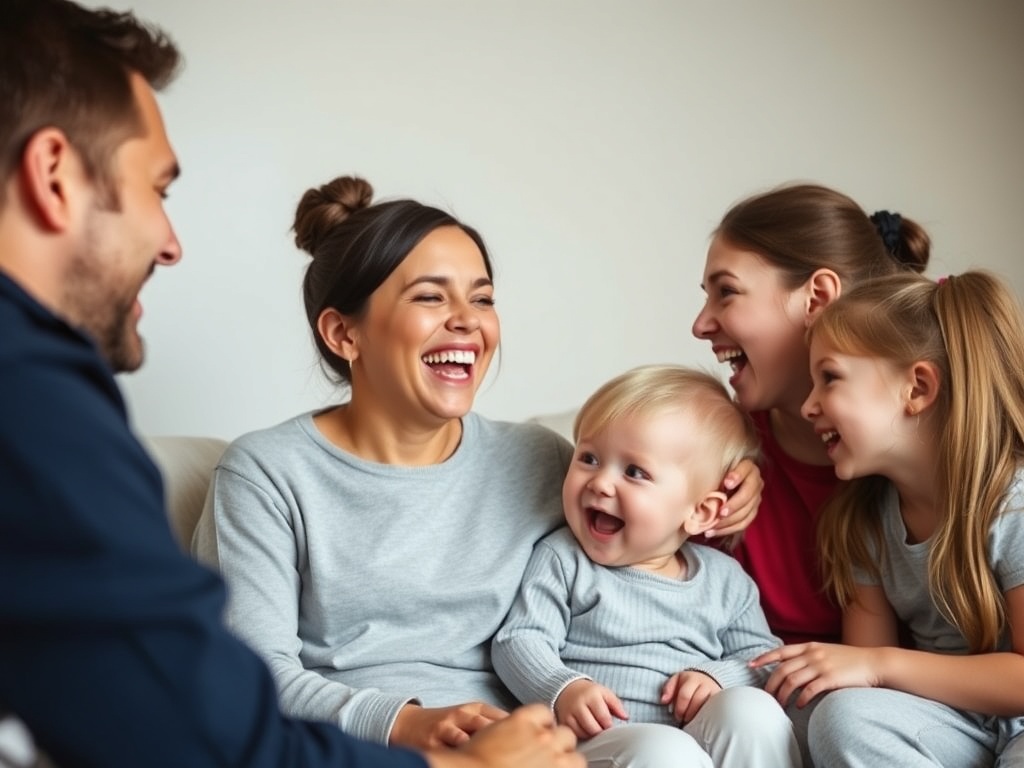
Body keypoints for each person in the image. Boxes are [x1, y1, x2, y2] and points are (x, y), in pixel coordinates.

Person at [0, 2, 584, 767]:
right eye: (158, 189)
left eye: (482, 296)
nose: (172, 244)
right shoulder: (35, 402)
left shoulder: (549, 461)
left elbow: (657, 542)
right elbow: (207, 723)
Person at [192, 177, 764, 752]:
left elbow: (651, 558)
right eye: (430, 296)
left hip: (536, 745)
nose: (468, 320)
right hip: (380, 749)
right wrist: (404, 722)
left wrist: (735, 485)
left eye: (482, 298)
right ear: (345, 333)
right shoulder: (266, 474)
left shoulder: (543, 461)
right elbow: (252, 674)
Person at [751, 270, 1024, 766]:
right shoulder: (863, 524)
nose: (809, 406)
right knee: (841, 715)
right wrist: (865, 671)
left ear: (916, 388)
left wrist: (880, 664)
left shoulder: (1014, 504)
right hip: (952, 724)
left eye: (829, 378)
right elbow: (865, 690)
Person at [492, 365, 801, 768]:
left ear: (701, 512)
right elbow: (519, 640)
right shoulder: (563, 559)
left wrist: (719, 678)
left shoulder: (727, 583)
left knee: (752, 712)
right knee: (666, 754)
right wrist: (563, 688)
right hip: (592, 746)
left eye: (634, 472)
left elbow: (764, 659)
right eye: (588, 458)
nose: (601, 483)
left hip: (695, 738)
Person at [691, 183, 931, 645]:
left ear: (817, 298)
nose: (699, 324)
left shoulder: (930, 463)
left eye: (726, 292)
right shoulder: (712, 462)